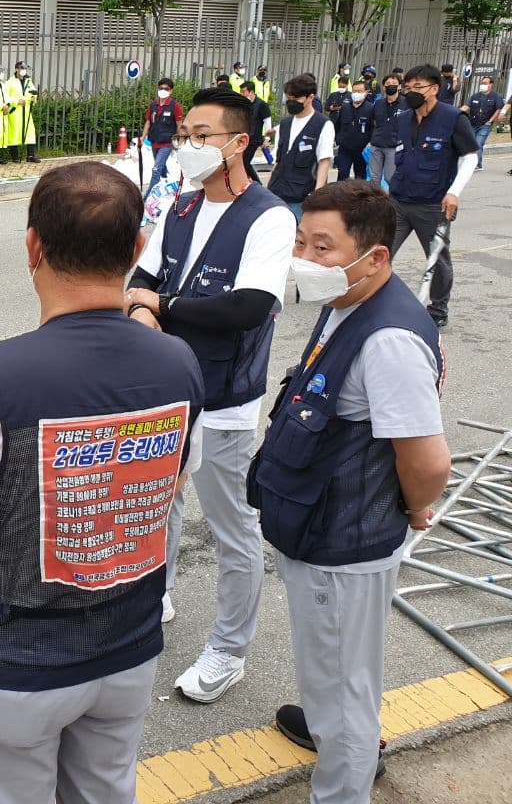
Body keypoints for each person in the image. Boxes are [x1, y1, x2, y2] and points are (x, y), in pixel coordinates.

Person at [0, 160, 204, 804]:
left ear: (33, 246)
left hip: (17, 658)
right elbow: (174, 478)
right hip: (129, 644)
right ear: (137, 248)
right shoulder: (180, 362)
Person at [254, 180, 450, 802]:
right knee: (336, 673)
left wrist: (417, 506)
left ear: (376, 258)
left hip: (347, 546)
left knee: (346, 691)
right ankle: (333, 735)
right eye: (301, 243)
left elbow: (427, 459)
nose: (305, 261)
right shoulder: (346, 298)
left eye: (322, 247)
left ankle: (342, 785)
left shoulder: (389, 339)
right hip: (321, 526)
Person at [125, 87, 295, 703]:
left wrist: (162, 307)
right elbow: (141, 278)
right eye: (186, 135)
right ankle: (156, 595)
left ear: (239, 143)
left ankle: (228, 650)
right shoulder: (180, 208)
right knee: (159, 503)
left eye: (203, 136)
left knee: (231, 527)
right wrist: (144, 312)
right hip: (165, 390)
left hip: (224, 400)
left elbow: (249, 307)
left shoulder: (270, 217)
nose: (189, 146)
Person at [389, 64, 479, 328]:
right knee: (380, 250)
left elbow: (471, 157)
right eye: (408, 87)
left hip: (433, 203)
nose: (411, 92)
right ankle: (375, 301)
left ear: (435, 89)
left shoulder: (452, 118)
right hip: (399, 199)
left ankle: (438, 308)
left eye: (418, 87)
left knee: (437, 258)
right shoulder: (403, 118)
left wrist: (454, 192)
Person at [269, 73, 334, 220]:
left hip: (301, 197)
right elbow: (278, 160)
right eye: (289, 99)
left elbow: (323, 162)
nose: (291, 102)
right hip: (277, 193)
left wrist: (317, 196)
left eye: (296, 99)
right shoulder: (284, 124)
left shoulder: (323, 125)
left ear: (310, 97)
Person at [141, 77, 183, 196]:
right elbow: (148, 122)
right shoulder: (153, 105)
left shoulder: (175, 106)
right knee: (161, 167)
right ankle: (166, 183)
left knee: (156, 169)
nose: (163, 90)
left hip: (167, 142)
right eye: (161, 88)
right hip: (155, 141)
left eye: (166, 88)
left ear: (171, 91)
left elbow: (179, 124)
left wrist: (179, 140)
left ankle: (148, 195)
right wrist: (142, 137)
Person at [332, 80, 374, 181]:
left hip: (361, 149)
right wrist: (336, 139)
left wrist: (370, 143)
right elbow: (338, 124)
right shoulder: (345, 107)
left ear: (366, 92)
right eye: (354, 91)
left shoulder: (371, 109)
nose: (356, 94)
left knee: (360, 176)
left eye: (359, 91)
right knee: (342, 173)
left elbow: (373, 128)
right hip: (344, 148)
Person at [369, 73, 403, 187]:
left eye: (394, 84)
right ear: (384, 86)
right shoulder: (378, 103)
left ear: (399, 86)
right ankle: (375, 202)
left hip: (393, 146)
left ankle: (393, 201)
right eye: (388, 84)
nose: (391, 86)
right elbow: (373, 121)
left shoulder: (406, 104)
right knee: (374, 178)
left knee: (390, 177)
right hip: (376, 145)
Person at [460, 75, 501, 170]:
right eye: (482, 83)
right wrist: (456, 112)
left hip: (485, 125)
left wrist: (490, 121)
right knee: (472, 143)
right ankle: (476, 163)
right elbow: (466, 106)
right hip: (473, 124)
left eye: (485, 83)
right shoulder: (475, 96)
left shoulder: (496, 97)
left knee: (478, 143)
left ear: (491, 85)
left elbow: (498, 109)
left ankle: (476, 165)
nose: (483, 85)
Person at [4, 60, 40, 163]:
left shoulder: (28, 81)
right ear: (16, 69)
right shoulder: (10, 82)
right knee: (14, 133)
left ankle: (30, 155)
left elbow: (33, 92)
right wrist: (16, 102)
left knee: (30, 133)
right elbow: (6, 97)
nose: (23, 70)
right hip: (16, 112)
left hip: (27, 111)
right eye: (21, 68)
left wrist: (33, 97)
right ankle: (15, 157)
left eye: (24, 69)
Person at [239, 80, 270, 182]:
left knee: (245, 162)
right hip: (244, 138)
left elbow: (267, 123)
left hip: (254, 139)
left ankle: (257, 183)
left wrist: (267, 139)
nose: (241, 94)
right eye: (241, 92)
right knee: (241, 162)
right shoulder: (245, 105)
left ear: (251, 92)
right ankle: (247, 181)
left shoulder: (262, 105)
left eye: (243, 92)